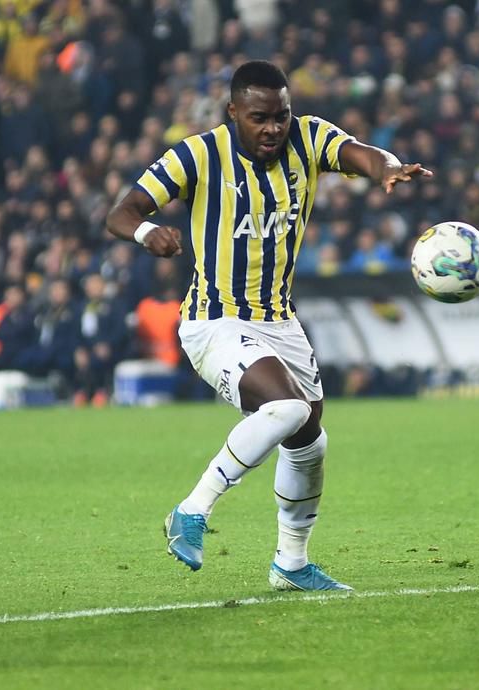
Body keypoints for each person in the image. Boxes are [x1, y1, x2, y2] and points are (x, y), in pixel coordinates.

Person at [106, 61, 432, 591]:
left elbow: (362, 154)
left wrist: (387, 168)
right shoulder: (197, 153)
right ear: (233, 112)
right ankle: (192, 510)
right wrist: (147, 233)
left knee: (309, 442)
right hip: (214, 319)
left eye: (281, 116)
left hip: (280, 320)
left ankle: (291, 564)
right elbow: (121, 211)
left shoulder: (308, 138)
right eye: (259, 118)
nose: (273, 129)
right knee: (286, 409)